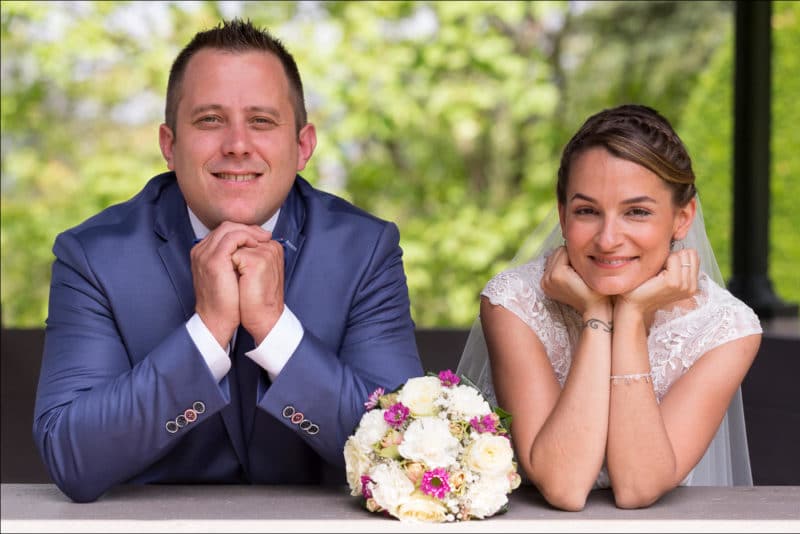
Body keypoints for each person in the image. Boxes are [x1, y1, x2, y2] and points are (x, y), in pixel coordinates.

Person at [33, 18, 423, 503]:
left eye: (261, 121)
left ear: (302, 145)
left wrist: (277, 331)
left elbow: (409, 456)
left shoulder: (365, 250)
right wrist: (208, 331)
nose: (237, 144)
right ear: (169, 146)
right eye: (210, 120)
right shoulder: (93, 256)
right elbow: (72, 457)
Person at [457, 104, 762, 511]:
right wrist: (597, 315)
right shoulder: (513, 303)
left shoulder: (727, 328)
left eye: (637, 212)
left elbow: (638, 487)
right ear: (563, 215)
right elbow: (563, 486)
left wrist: (632, 317)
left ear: (682, 218)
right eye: (587, 211)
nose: (608, 239)